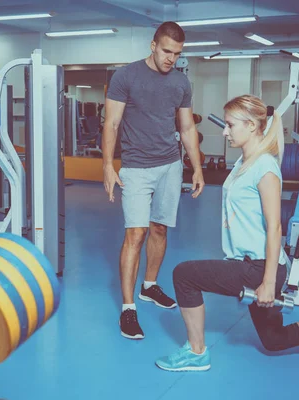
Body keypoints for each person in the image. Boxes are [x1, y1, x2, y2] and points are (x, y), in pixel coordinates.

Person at [155, 95, 299, 371]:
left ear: (250, 126)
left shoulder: (265, 167)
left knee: (184, 275)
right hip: (247, 263)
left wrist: (269, 282)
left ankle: (197, 352)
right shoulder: (243, 162)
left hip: (260, 267)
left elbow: (275, 227)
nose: (224, 132)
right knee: (274, 339)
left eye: (229, 125)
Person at [102, 21, 205, 340]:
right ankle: (128, 309)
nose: (171, 58)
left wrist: (197, 167)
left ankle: (149, 286)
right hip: (135, 167)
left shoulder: (181, 82)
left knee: (160, 227)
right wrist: (107, 164)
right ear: (152, 45)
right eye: (166, 51)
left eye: (177, 53)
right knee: (136, 234)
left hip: (171, 166)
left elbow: (187, 128)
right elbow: (112, 123)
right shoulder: (125, 76)